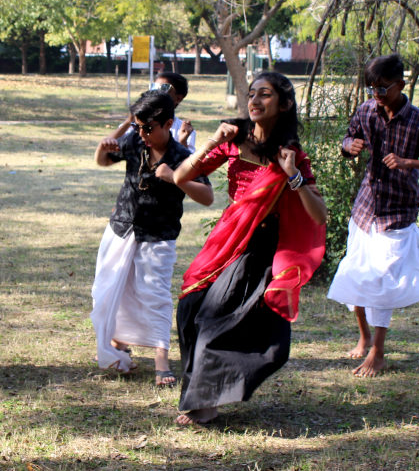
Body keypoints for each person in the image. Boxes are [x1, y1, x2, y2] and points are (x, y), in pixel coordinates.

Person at [171, 72, 327, 425]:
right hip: (229, 239)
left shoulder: (291, 155)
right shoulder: (233, 138)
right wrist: (212, 141)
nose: (254, 100)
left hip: (262, 249)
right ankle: (199, 392)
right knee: (191, 306)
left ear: (284, 104)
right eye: (252, 93)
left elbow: (318, 214)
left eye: (265, 95)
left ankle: (206, 403)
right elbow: (182, 178)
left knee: (217, 318)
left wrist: (293, 176)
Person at [327, 54, 419, 378]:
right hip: (366, 206)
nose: (377, 96)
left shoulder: (417, 121)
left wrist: (412, 163)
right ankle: (364, 336)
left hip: (398, 210)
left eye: (383, 88)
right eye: (372, 89)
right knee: (356, 273)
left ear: (401, 84)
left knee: (382, 279)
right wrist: (348, 145)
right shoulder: (367, 110)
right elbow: (347, 137)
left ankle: (378, 353)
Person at [90, 90, 214, 386]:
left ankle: (161, 359)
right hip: (122, 227)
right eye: (139, 126)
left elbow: (208, 196)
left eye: (149, 128)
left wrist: (175, 177)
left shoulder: (183, 156)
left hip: (158, 235)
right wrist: (103, 146)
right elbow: (104, 161)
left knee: (154, 293)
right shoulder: (135, 142)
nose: (143, 134)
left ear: (168, 123)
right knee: (111, 289)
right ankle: (117, 342)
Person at [110, 72, 197, 151]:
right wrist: (128, 122)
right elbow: (109, 147)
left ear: (178, 98)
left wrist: (183, 142)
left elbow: (189, 165)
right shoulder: (137, 124)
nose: (156, 94)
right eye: (153, 87)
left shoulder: (184, 131)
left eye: (164, 88)